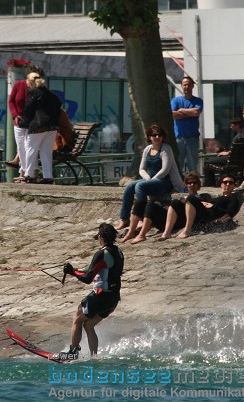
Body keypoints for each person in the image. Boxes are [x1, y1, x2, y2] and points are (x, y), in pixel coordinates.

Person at [60, 223, 124, 360]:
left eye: (98, 238)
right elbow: (95, 272)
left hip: (102, 297)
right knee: (88, 324)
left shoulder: (101, 254)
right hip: (113, 299)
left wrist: (72, 272)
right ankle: (94, 358)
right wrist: (74, 271)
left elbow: (88, 278)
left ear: (101, 237)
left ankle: (72, 353)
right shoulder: (118, 252)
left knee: (77, 317)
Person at [116, 124, 183, 239]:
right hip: (151, 179)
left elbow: (165, 169)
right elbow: (141, 169)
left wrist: (152, 179)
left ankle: (142, 218)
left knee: (140, 187)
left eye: (159, 135)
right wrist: (147, 178)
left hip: (165, 181)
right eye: (154, 135)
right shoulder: (147, 149)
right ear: (149, 137)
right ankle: (124, 218)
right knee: (130, 186)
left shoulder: (166, 148)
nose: (157, 137)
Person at [158, 172, 243, 240]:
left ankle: (187, 230)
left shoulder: (232, 198)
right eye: (225, 182)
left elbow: (230, 214)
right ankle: (167, 232)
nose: (227, 184)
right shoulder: (217, 198)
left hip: (210, 218)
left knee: (191, 198)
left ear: (234, 185)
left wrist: (212, 206)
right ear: (221, 184)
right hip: (203, 214)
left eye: (230, 183)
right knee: (175, 202)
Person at [20, 72, 62, 184]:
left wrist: (25, 120)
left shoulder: (33, 92)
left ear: (30, 82)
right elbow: (59, 103)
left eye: (27, 82)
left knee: (30, 148)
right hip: (52, 125)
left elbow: (28, 108)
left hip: (38, 125)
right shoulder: (49, 93)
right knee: (46, 152)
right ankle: (48, 176)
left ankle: (28, 174)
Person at [7, 65, 44, 178]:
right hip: (19, 122)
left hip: (32, 123)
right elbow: (11, 101)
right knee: (21, 147)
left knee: (29, 148)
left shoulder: (40, 89)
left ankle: (29, 172)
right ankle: (24, 170)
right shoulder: (19, 85)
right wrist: (15, 115)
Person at [171, 76, 203, 174]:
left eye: (189, 85)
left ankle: (193, 185)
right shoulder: (175, 101)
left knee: (193, 165)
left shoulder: (198, 101)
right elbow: (173, 114)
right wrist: (189, 113)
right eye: (184, 85)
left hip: (192, 138)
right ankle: (179, 187)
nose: (186, 87)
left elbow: (197, 112)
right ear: (181, 86)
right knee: (178, 164)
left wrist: (181, 111)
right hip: (179, 138)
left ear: (192, 86)